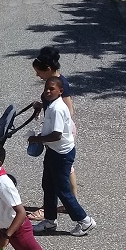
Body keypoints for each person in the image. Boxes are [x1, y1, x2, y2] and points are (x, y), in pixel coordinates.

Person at [28, 77, 96, 236]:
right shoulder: (52, 104)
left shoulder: (58, 108)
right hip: (54, 151)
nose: (48, 91)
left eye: (52, 89)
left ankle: (85, 221)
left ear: (61, 91)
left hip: (61, 154)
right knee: (48, 186)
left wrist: (36, 139)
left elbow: (57, 135)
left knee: (63, 190)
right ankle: (50, 221)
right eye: (46, 88)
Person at [29, 46, 76, 220]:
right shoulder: (53, 83)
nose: (37, 75)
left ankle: (49, 208)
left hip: (61, 132)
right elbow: (54, 105)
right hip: (58, 131)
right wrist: (43, 106)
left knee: (56, 173)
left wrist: (54, 124)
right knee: (66, 169)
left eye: (39, 72)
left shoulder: (60, 84)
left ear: (48, 69)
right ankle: (69, 203)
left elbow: (68, 110)